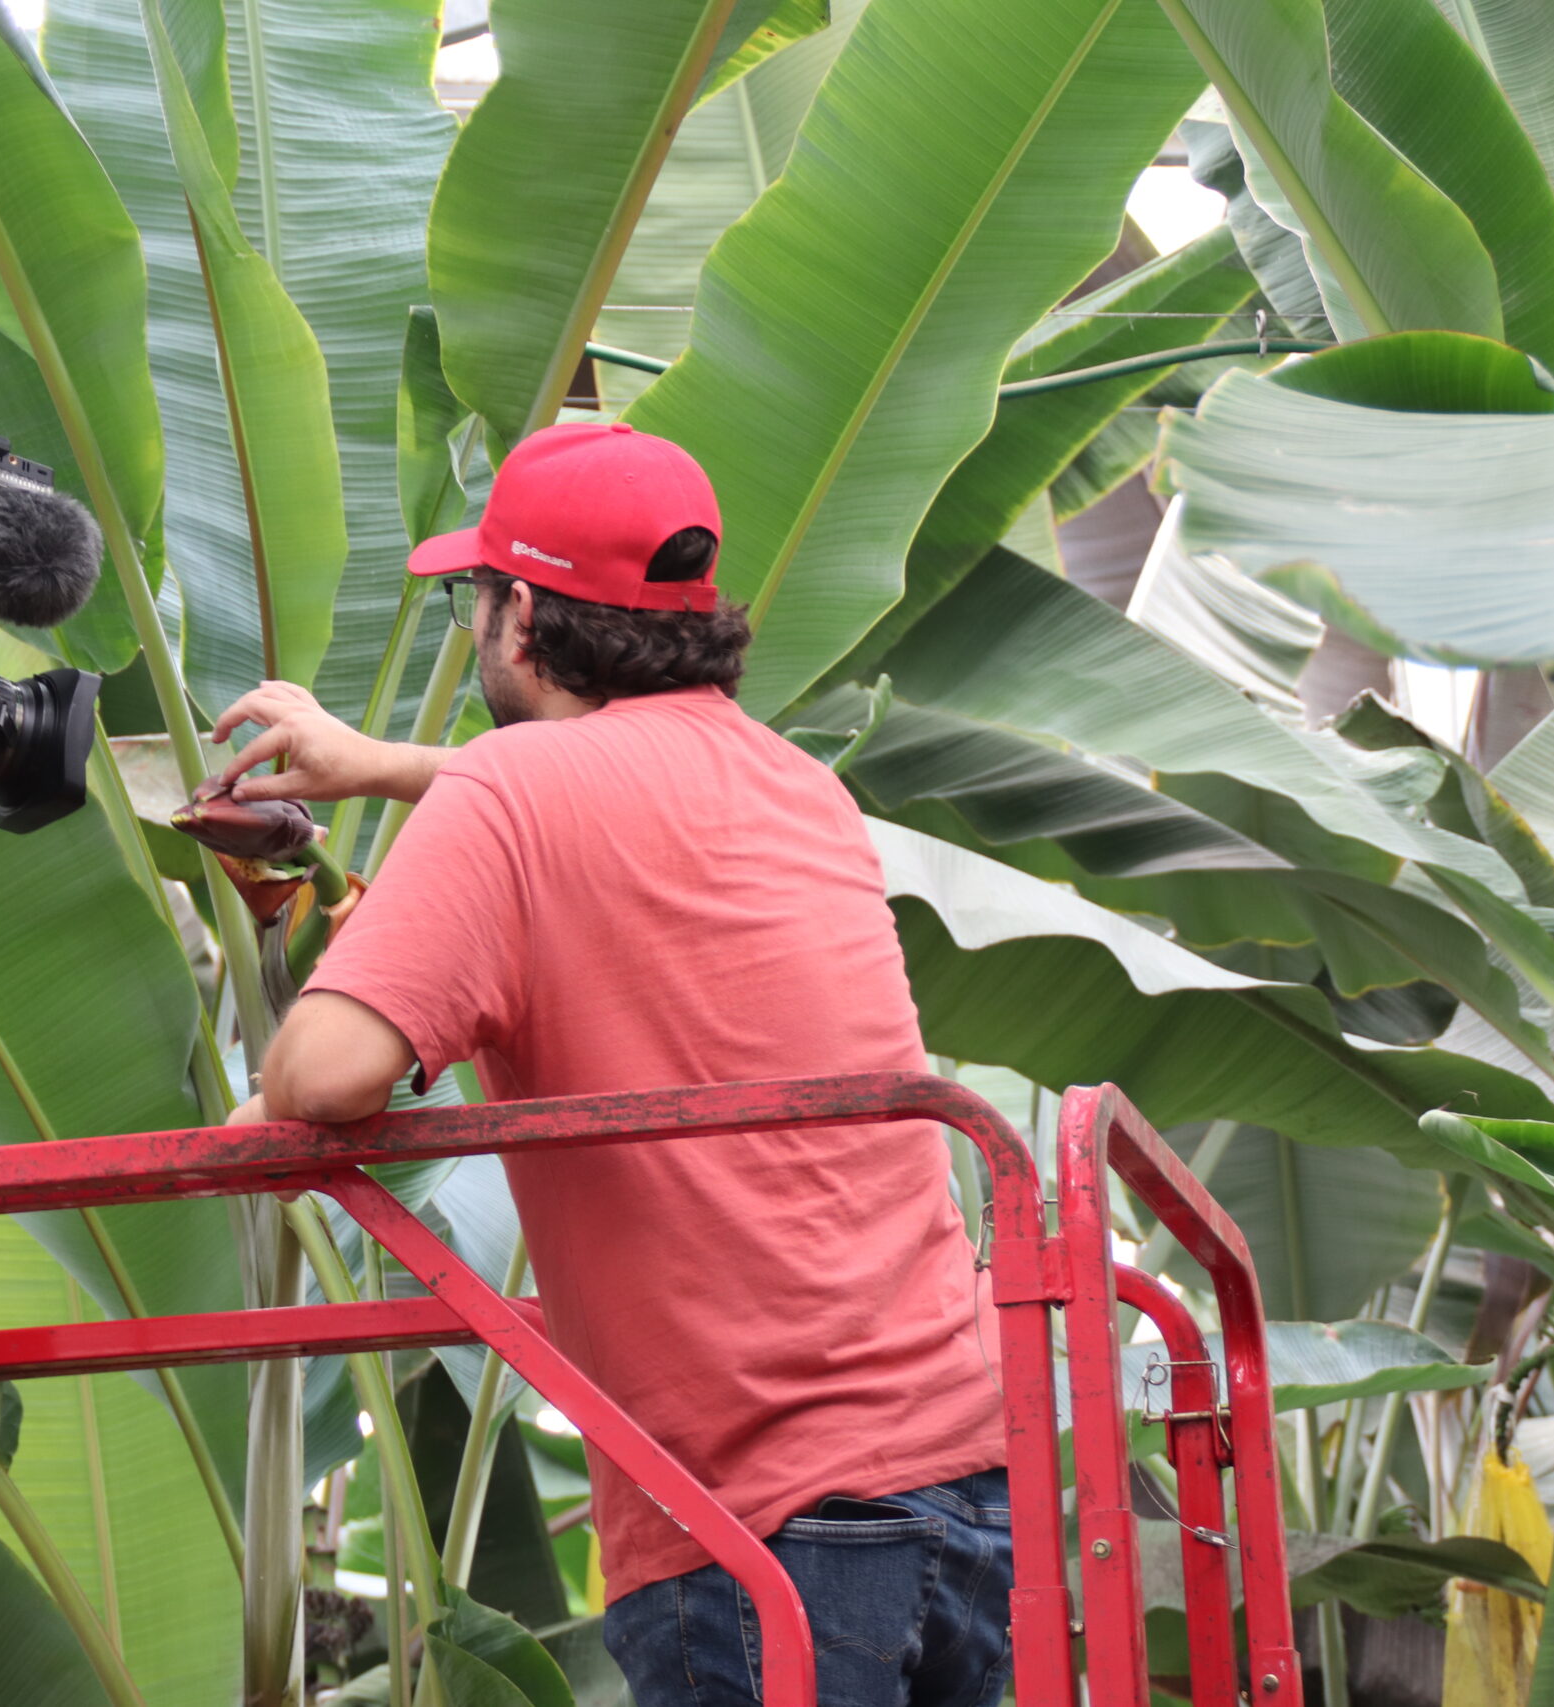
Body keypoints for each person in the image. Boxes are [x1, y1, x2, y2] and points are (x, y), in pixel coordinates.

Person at [213, 422, 1012, 1707]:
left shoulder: (512, 795)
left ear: (520, 613)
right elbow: (606, 796)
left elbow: (320, 1077)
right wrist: (389, 774)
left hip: (757, 1522)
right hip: (969, 1489)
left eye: (474, 598)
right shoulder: (802, 787)